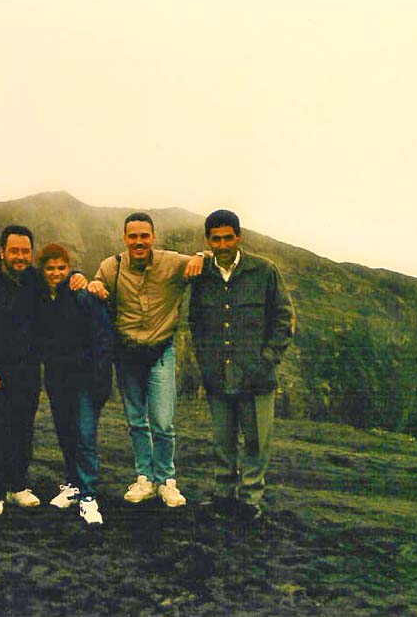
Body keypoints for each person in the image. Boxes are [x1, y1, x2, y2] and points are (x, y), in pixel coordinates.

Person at [87, 212, 204, 507]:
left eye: (144, 236)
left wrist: (202, 255)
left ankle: (166, 480)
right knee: (136, 421)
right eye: (133, 236)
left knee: (163, 422)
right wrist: (93, 285)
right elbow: (95, 286)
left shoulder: (172, 262)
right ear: (125, 238)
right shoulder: (111, 267)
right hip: (126, 354)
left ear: (153, 237)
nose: (139, 242)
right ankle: (145, 478)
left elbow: (207, 259)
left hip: (160, 351)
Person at [0, 226, 88, 516]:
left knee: (22, 429)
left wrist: (78, 276)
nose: (20, 257)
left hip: (26, 371)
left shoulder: (34, 281)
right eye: (14, 251)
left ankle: (17, 485)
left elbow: (59, 279)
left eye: (25, 251)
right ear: (2, 252)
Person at [188, 209, 294, 520]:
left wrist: (267, 361)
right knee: (223, 441)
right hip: (218, 374)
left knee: (256, 441)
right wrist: (205, 361)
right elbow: (195, 321)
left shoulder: (264, 271)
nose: (222, 245)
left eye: (228, 238)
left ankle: (250, 500)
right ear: (208, 240)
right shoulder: (202, 276)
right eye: (216, 239)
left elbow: (283, 318)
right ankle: (223, 495)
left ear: (239, 237)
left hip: (257, 377)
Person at [36, 243, 114, 526]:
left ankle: (88, 495)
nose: (56, 273)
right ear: (42, 271)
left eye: (61, 267)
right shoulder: (42, 298)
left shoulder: (83, 295)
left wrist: (100, 378)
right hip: (58, 379)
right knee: (66, 433)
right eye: (50, 268)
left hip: (86, 379)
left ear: (69, 268)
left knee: (84, 436)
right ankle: (73, 484)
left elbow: (102, 338)